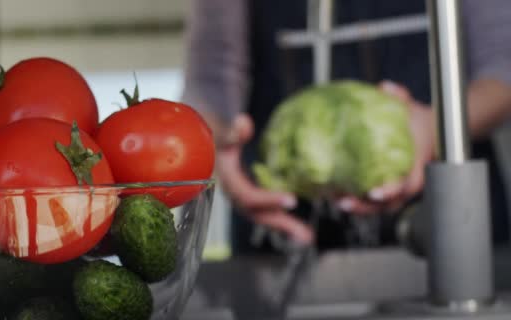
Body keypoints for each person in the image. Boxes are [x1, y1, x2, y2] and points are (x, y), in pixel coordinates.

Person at [181, 0, 511, 254]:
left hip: (443, 223)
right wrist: (219, 144)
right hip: (282, 230)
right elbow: (210, 83)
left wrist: (433, 129)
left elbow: (503, 65)